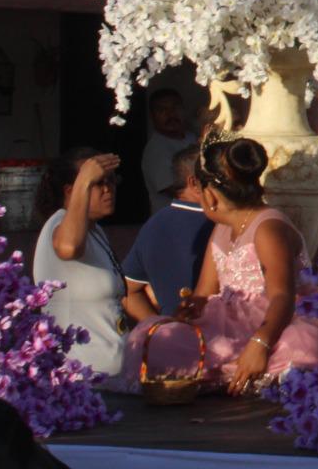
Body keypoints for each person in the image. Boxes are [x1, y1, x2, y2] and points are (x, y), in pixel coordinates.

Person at [123, 138, 318, 394]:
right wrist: (191, 308)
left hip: (275, 323)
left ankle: (244, 368)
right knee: (154, 340)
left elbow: (283, 297)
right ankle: (226, 369)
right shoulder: (221, 228)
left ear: (209, 195)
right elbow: (204, 291)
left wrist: (260, 343)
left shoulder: (268, 227)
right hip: (225, 325)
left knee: (296, 348)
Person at [32, 149, 127, 376]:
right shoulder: (59, 224)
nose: (108, 190)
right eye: (98, 183)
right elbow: (69, 248)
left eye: (111, 182)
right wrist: (84, 179)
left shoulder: (97, 232)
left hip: (111, 375)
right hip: (78, 377)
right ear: (70, 191)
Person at [121, 147, 213, 321]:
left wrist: (160, 330)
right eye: (214, 177)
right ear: (194, 182)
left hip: (174, 342)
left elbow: (127, 291)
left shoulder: (153, 224)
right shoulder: (216, 224)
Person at [140, 88, 198, 216]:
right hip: (173, 219)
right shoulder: (156, 149)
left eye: (175, 108)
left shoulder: (191, 137)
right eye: (162, 110)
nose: (170, 114)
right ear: (152, 116)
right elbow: (176, 190)